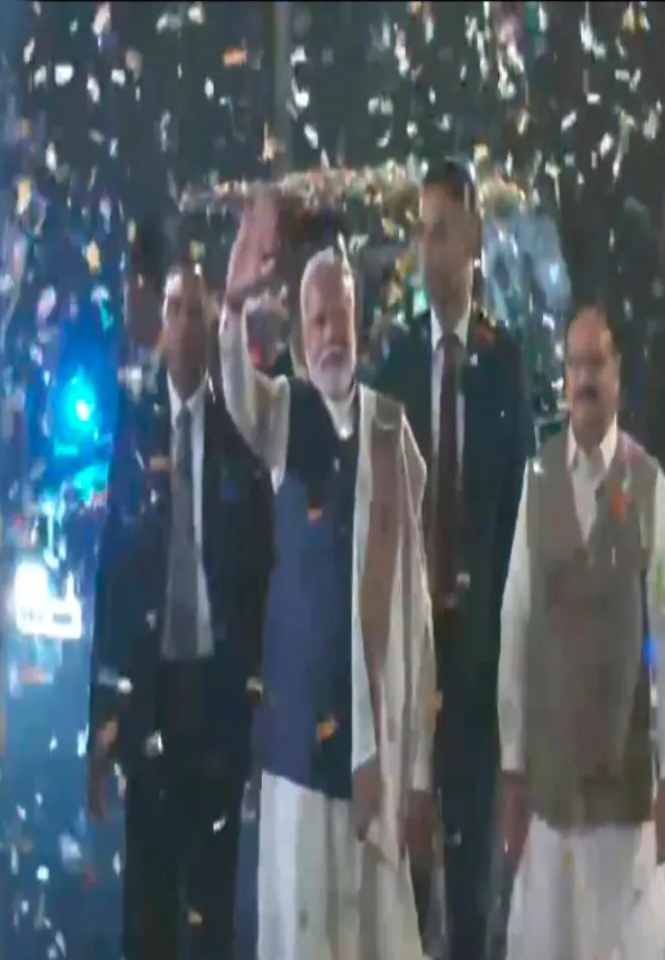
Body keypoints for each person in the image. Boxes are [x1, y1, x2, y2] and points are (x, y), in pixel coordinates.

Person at [220, 189, 436, 959]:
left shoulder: (390, 432)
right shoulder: (285, 415)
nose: (330, 335)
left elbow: (414, 611)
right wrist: (234, 303)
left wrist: (416, 771)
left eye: (340, 318)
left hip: (371, 758)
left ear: (358, 322)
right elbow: (236, 392)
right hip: (296, 751)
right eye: (316, 322)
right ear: (299, 334)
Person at [87, 245, 273, 960]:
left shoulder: (238, 439)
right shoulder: (134, 433)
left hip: (216, 698)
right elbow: (112, 575)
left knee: (212, 906)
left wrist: (258, 709)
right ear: (159, 326)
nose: (185, 326)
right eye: (174, 311)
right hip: (151, 693)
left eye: (196, 311)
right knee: (149, 908)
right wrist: (101, 718)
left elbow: (256, 582)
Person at [373, 158, 534, 958]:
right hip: (410, 659)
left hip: (477, 662)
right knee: (402, 889)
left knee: (470, 899)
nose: (428, 249)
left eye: (442, 232)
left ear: (473, 239)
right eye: (421, 232)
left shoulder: (505, 365)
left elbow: (520, 520)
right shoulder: (397, 362)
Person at [497, 305, 665, 958]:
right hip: (547, 796)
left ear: (617, 373)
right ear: (563, 377)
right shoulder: (536, 478)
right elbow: (516, 624)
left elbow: (660, 638)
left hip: (622, 803)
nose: (586, 378)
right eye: (575, 364)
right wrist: (512, 766)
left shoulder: (649, 486)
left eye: (597, 363)